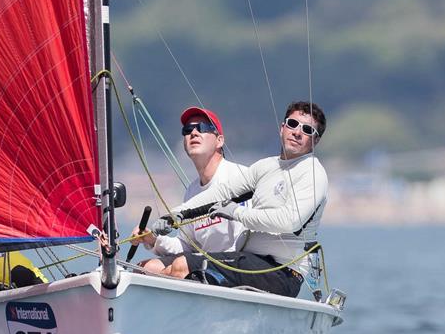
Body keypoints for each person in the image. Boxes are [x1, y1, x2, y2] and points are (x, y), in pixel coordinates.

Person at [152, 101, 328, 297]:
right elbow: (221, 192)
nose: (297, 132)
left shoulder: (312, 173)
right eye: (293, 124)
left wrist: (237, 213)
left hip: (282, 272)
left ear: (315, 141)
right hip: (249, 261)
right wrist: (176, 215)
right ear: (282, 128)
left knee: (182, 266)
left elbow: (289, 221)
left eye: (307, 130)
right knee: (151, 269)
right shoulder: (265, 167)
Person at [130, 106, 249, 274]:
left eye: (203, 128)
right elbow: (186, 245)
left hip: (239, 262)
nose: (193, 133)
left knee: (179, 267)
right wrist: (152, 239)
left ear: (220, 141)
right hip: (207, 259)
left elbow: (245, 238)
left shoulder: (240, 178)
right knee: (145, 268)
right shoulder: (192, 191)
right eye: (187, 130)